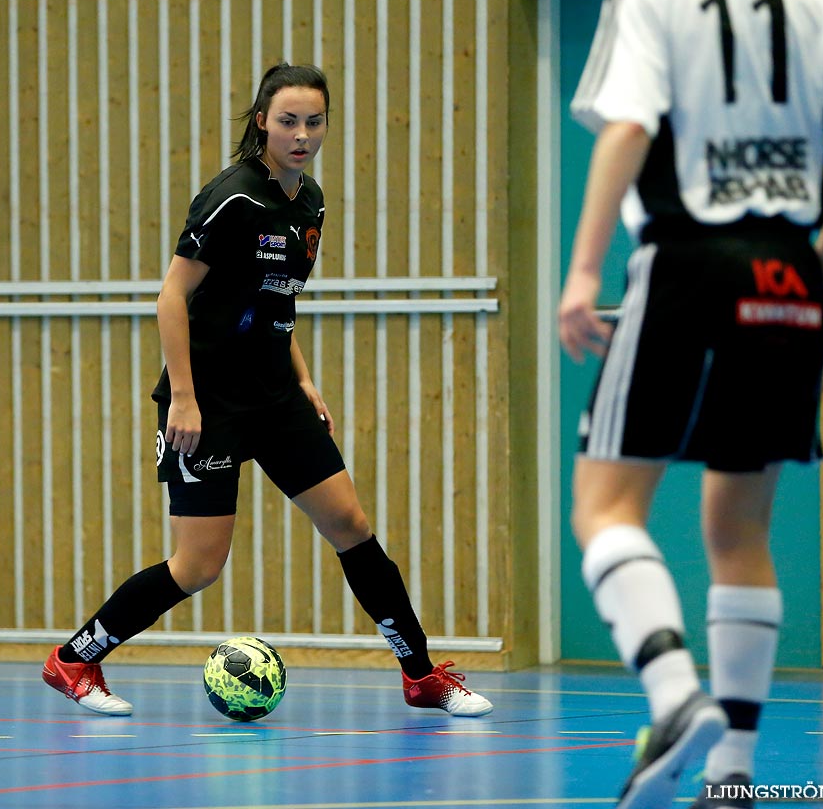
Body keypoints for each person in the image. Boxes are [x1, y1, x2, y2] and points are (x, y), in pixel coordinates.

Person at [561, 0, 823, 809]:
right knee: (739, 525)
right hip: (786, 273)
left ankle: (671, 692)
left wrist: (583, 271)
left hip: (690, 259)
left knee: (606, 506)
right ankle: (733, 772)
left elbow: (629, 125)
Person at [42, 61, 492, 719]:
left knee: (351, 525)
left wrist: (304, 378)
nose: (302, 134)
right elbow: (172, 297)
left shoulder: (309, 201)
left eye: (314, 122)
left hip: (276, 394)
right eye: (288, 121)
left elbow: (277, 297)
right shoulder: (233, 197)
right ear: (261, 123)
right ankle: (75, 659)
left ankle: (420, 675)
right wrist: (187, 400)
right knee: (198, 567)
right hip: (210, 403)